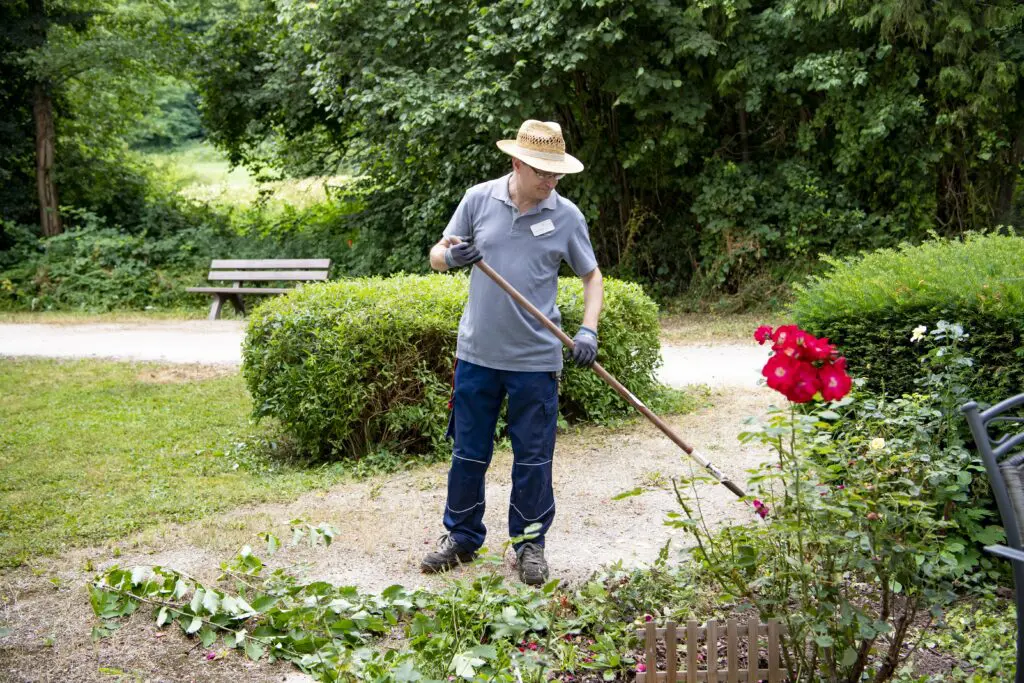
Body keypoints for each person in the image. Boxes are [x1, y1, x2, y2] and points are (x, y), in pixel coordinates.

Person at [422, 119, 604, 585]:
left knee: (534, 459)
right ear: (517, 163)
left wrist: (588, 331)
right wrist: (451, 258)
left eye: (556, 173)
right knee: (468, 454)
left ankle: (529, 546)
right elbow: (437, 254)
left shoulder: (567, 216)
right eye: (543, 172)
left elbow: (592, 277)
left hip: (536, 363)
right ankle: (462, 537)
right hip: (477, 356)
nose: (551, 181)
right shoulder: (478, 199)